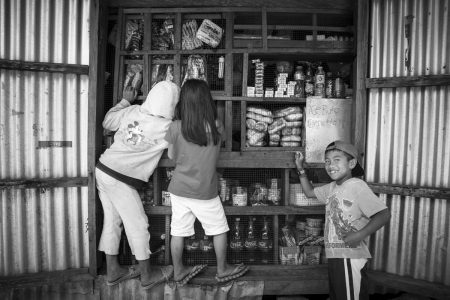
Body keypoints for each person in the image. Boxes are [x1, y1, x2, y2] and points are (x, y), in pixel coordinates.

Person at [164, 79, 249, 286]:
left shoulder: (175, 127)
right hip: (205, 191)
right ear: (207, 101)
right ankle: (222, 269)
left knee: (178, 231)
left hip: (178, 189)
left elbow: (172, 156)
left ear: (183, 101)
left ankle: (178, 271)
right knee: (218, 229)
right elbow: (222, 144)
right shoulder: (217, 126)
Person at [96, 81, 180, 289]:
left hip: (104, 168)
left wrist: (125, 101)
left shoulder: (132, 111)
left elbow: (107, 122)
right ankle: (147, 275)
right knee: (138, 224)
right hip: (120, 179)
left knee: (112, 221)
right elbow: (174, 153)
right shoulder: (168, 127)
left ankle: (113, 271)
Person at [294, 140, 390, 300]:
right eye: (327, 161)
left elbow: (383, 214)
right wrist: (300, 168)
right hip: (336, 255)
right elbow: (310, 192)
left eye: (337, 160)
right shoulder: (332, 187)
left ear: (352, 163)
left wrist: (359, 235)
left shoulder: (357, 186)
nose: (331, 165)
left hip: (350, 257)